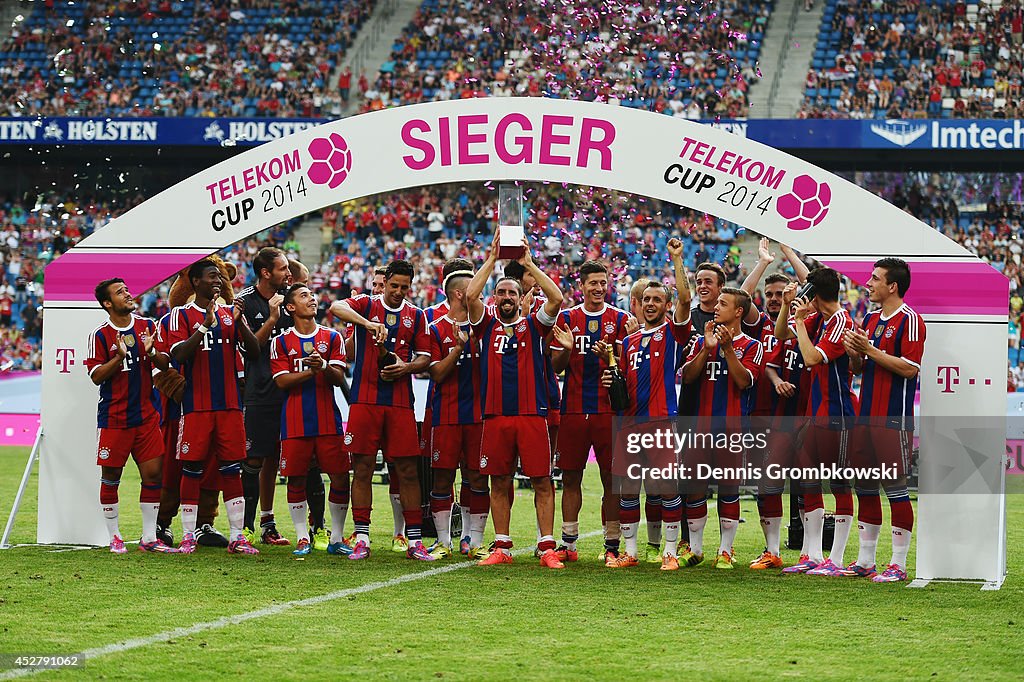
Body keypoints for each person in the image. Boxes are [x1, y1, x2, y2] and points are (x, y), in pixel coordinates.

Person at [465, 228, 566, 568]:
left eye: (512, 292)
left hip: (531, 415)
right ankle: (502, 546)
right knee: (499, 480)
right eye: (501, 292)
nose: (507, 296)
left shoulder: (535, 325)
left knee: (542, 480)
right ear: (495, 299)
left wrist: (529, 263)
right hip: (495, 416)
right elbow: (469, 296)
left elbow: (556, 299)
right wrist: (493, 258)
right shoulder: (486, 325)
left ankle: (547, 546)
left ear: (521, 295)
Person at [328, 260, 434, 561]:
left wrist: (407, 367)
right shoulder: (365, 304)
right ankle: (362, 537)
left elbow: (425, 356)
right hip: (364, 400)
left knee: (408, 472)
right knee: (362, 468)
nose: (399, 292)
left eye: (404, 287)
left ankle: (414, 541)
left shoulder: (416, 315)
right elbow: (336, 307)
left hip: (400, 402)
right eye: (394, 285)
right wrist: (367, 324)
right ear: (384, 282)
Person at [604, 238, 692, 570]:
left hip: (660, 422)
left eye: (657, 299)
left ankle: (669, 552)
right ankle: (630, 551)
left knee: (666, 487)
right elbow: (621, 383)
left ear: (667, 305)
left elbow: (686, 297)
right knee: (628, 490)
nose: (650, 304)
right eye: (646, 300)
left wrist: (676, 259)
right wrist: (610, 382)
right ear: (639, 305)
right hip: (629, 424)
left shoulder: (672, 333)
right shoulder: (627, 342)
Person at [166, 260, 260, 554]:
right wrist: (204, 326)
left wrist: (240, 322)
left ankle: (237, 537)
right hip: (196, 407)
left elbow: (255, 352)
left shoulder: (230, 315)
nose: (218, 280)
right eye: (211, 276)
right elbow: (177, 355)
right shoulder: (180, 315)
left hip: (230, 406)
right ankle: (188, 535)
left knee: (232, 470)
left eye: (220, 276)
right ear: (194, 282)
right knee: (192, 468)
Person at [843, 258, 926, 583]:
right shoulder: (871, 318)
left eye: (875, 279)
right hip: (865, 418)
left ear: (892, 286)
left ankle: (899, 564)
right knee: (864, 487)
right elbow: (862, 368)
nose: (869, 283)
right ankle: (866, 561)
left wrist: (870, 349)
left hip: (893, 420)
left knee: (895, 490)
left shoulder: (911, 320)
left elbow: (909, 368)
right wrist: (855, 354)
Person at [775, 267, 857, 575]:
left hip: (837, 412)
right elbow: (782, 334)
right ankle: (811, 555)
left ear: (815, 294)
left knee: (838, 482)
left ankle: (835, 559)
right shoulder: (820, 320)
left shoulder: (841, 321)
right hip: (815, 411)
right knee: (809, 482)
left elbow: (810, 358)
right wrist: (787, 306)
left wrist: (799, 319)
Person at [550, 261, 632, 563]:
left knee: (612, 479)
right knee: (571, 478)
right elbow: (555, 367)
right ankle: (568, 543)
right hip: (572, 409)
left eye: (602, 282)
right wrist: (569, 349)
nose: (598, 288)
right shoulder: (567, 318)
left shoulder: (622, 320)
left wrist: (615, 356)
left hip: (608, 412)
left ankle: (611, 545)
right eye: (592, 283)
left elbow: (629, 367)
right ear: (581, 286)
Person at [680, 287, 765, 570]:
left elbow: (744, 382)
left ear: (738, 311)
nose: (716, 307)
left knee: (729, 489)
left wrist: (727, 349)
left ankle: (726, 551)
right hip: (700, 428)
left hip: (731, 429)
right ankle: (696, 548)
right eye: (717, 303)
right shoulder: (699, 341)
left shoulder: (753, 345)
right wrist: (706, 348)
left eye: (723, 303)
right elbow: (689, 377)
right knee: (694, 489)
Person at [85, 278, 171, 553]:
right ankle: (114, 536)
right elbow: (96, 376)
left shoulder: (147, 326)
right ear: (107, 303)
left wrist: (153, 350)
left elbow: (165, 364)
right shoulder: (99, 335)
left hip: (146, 415)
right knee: (111, 476)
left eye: (126, 290)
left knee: (154, 474)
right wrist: (119, 357)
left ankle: (148, 538)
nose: (128, 294)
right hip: (114, 418)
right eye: (120, 292)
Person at [738, 238, 809, 570]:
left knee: (807, 483)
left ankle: (812, 552)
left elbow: (812, 281)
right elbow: (739, 299)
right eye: (769, 295)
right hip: (761, 414)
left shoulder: (804, 323)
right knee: (767, 485)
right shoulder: (760, 326)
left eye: (780, 295)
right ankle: (772, 549)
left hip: (801, 413)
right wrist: (763, 263)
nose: (774, 299)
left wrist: (788, 252)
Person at [270, 283, 351, 556]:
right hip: (294, 421)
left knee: (340, 477)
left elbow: (339, 378)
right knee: (296, 480)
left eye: (312, 295)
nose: (312, 299)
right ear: (290, 307)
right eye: (304, 296)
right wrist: (312, 370)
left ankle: (336, 537)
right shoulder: (280, 342)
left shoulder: (332, 337)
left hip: (328, 420)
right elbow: (281, 381)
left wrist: (324, 365)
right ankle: (303, 537)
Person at [425, 262, 490, 559]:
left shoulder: (486, 326)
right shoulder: (435, 328)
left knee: (477, 477)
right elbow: (436, 373)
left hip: (479, 415)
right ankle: (443, 542)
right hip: (447, 415)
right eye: (477, 288)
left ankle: (472, 540)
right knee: (442, 478)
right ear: (462, 294)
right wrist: (458, 349)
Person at [236, 247, 293, 546]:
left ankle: (267, 521)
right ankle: (244, 526)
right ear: (265, 272)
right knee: (254, 458)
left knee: (276, 457)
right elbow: (249, 349)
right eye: (282, 268)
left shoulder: (291, 298)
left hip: (289, 390)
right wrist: (271, 318)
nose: (288, 272)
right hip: (259, 392)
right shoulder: (245, 302)